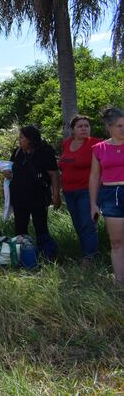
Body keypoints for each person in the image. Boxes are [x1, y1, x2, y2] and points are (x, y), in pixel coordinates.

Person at [2, 125, 61, 260]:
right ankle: (23, 257)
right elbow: (12, 172)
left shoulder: (45, 152)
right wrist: (7, 174)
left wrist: (56, 195)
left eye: (22, 137)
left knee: (41, 228)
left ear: (30, 138)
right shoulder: (17, 152)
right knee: (20, 229)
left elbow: (54, 174)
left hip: (38, 197)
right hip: (19, 197)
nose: (19, 140)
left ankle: (47, 256)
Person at [58, 115, 102, 262]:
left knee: (87, 223)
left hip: (87, 191)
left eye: (86, 126)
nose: (84, 129)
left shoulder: (97, 144)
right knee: (78, 225)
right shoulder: (66, 144)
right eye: (80, 126)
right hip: (69, 192)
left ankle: (90, 257)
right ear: (73, 130)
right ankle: (88, 253)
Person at [90, 107, 124, 284]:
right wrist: (93, 204)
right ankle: (119, 283)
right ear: (109, 127)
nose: (123, 129)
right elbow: (94, 177)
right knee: (117, 242)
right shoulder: (99, 148)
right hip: (110, 195)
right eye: (119, 126)